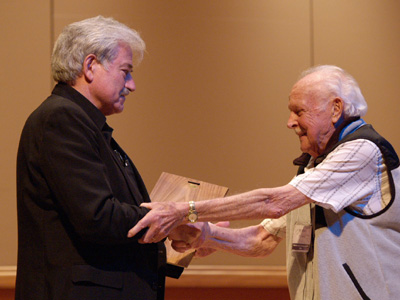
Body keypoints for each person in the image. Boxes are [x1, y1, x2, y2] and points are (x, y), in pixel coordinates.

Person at [128, 65, 400, 300]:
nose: (290, 122)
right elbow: (262, 239)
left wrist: (182, 211)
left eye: (299, 111)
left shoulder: (362, 151)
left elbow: (273, 203)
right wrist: (206, 235)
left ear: (335, 109)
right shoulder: (314, 168)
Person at [16, 16, 168, 300]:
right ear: (89, 66)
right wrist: (167, 218)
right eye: (126, 71)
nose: (131, 85)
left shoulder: (80, 122)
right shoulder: (61, 119)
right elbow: (97, 216)